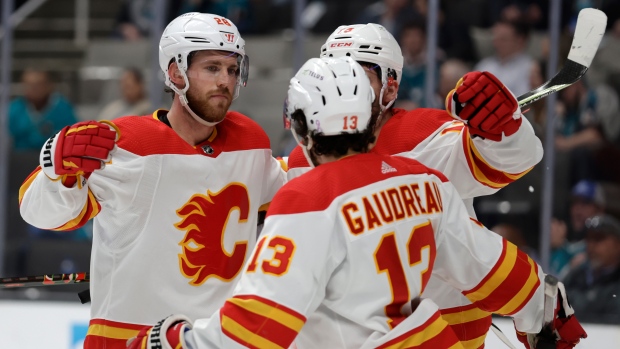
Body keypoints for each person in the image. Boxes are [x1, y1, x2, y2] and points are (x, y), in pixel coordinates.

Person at [126, 57, 585, 349]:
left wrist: (172, 338)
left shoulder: (307, 200)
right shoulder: (426, 182)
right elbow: (493, 269)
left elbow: (256, 328)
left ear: (301, 128)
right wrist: (544, 311)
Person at [19, 13, 286, 348]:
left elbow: (293, 189)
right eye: (212, 68)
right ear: (175, 72)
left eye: (232, 70)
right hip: (129, 338)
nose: (225, 81)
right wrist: (58, 171)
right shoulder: (126, 144)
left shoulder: (250, 142)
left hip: (210, 340)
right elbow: (39, 213)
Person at [290, 23, 543, 348]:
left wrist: (504, 129)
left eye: (360, 76)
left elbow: (511, 160)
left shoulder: (423, 134)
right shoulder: (303, 155)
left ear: (390, 88)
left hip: (444, 330)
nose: (346, 89)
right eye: (336, 75)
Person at [563, 214, 620, 324]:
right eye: (589, 239)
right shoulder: (574, 276)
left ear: (617, 245)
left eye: (598, 238)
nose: (591, 245)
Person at [8, 69, 79, 151]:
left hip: (54, 159)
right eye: (30, 85)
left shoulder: (63, 108)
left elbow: (73, 137)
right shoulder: (14, 109)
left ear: (49, 85)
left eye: (39, 84)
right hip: (21, 159)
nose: (34, 89)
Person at [474, 18, 533, 96]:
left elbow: (523, 100)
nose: (496, 44)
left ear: (520, 40)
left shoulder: (529, 68)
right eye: (495, 39)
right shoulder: (484, 64)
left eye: (503, 39)